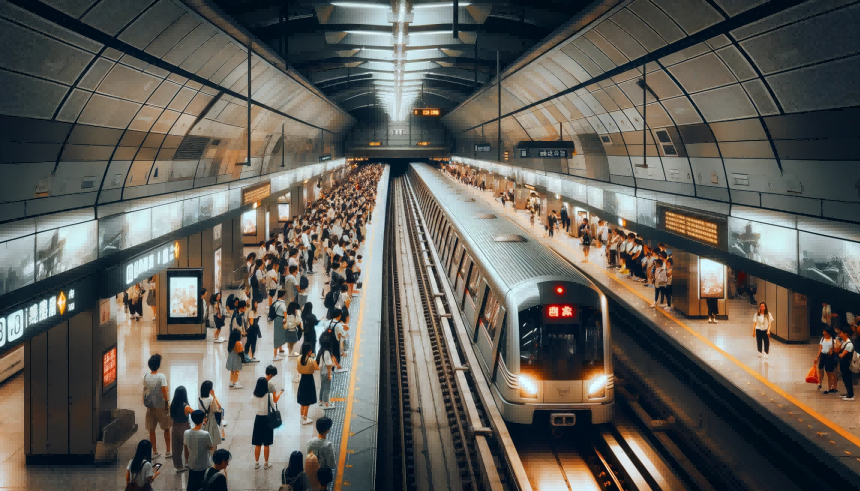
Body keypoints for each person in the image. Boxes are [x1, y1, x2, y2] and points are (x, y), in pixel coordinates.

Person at [143, 354, 171, 458]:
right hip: (161, 406)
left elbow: (145, 390)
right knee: (166, 428)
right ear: (158, 365)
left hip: (150, 406)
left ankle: (154, 451)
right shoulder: (161, 376)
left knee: (151, 430)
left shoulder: (146, 376)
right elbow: (164, 391)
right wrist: (167, 402)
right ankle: (168, 451)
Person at [252, 377, 280, 469]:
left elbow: (252, 404)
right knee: (267, 443)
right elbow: (273, 405)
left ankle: (256, 463)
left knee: (258, 443)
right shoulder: (269, 396)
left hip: (258, 419)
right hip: (267, 420)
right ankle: (266, 463)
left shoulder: (254, 395)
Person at [183, 410, 213, 491]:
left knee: (192, 484)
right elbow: (211, 447)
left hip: (192, 463)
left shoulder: (186, 432)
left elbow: (185, 446)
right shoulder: (205, 434)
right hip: (203, 464)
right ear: (203, 419)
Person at [169, 386, 194, 472]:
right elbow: (194, 414)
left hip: (175, 427)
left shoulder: (172, 405)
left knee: (176, 447)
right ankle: (187, 462)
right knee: (187, 445)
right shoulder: (186, 406)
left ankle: (178, 466)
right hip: (185, 427)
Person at [306, 417, 336, 481]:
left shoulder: (310, 442)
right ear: (328, 430)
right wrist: (332, 467)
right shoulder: (328, 445)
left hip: (312, 467)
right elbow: (331, 461)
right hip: (324, 470)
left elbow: (308, 455)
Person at [296, 342, 318, 425]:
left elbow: (298, 369)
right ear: (308, 351)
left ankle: (302, 415)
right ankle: (305, 418)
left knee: (302, 399)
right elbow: (315, 368)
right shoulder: (310, 360)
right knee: (308, 400)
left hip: (303, 379)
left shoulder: (299, 358)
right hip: (309, 379)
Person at [199, 381, 224, 450]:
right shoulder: (211, 400)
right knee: (213, 441)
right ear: (210, 390)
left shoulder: (199, 399)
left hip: (203, 422)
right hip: (212, 422)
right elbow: (218, 408)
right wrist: (214, 396)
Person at [835, 327, 855, 401]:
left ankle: (851, 395)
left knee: (848, 379)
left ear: (846, 334)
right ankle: (848, 393)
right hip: (843, 364)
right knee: (844, 379)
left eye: (841, 333)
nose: (840, 334)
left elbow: (842, 355)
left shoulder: (849, 344)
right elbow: (837, 351)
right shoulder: (844, 342)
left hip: (847, 365)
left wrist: (837, 354)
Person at [816, 329, 838, 394]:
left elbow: (837, 349)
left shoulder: (833, 340)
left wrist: (832, 350)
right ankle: (820, 383)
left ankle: (830, 388)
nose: (823, 333)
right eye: (823, 331)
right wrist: (817, 357)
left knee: (829, 372)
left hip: (829, 357)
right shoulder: (822, 339)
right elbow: (820, 348)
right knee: (820, 369)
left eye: (824, 331)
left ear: (828, 332)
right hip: (823, 356)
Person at [317, 340, 335, 410]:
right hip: (326, 372)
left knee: (323, 387)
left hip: (322, 372)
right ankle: (326, 403)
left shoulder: (321, 351)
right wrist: (329, 375)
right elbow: (328, 364)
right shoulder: (327, 352)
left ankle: (321, 401)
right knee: (327, 388)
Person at [272, 290, 288, 361]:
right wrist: (286, 321)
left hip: (276, 320)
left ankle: (280, 349)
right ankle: (275, 355)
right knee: (278, 336)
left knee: (279, 335)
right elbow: (285, 315)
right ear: (283, 295)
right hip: (280, 320)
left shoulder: (275, 303)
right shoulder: (282, 304)